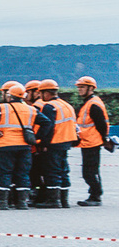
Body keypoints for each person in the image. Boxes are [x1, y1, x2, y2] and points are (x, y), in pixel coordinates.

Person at [0, 79, 35, 208]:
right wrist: (36, 136)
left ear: (9, 96)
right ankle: (22, 202)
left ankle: (2, 202)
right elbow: (46, 122)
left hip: (5, 145)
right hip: (24, 146)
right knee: (22, 173)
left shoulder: (1, 108)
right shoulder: (30, 109)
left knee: (4, 173)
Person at [29, 80, 77, 209]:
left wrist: (42, 142)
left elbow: (48, 127)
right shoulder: (66, 105)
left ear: (46, 93)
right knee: (63, 171)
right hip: (66, 142)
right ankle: (64, 200)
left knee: (52, 171)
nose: (40, 96)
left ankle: (53, 200)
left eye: (41, 93)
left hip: (54, 142)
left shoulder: (49, 107)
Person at [77, 77, 108, 207]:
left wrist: (104, 139)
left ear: (91, 88)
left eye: (82, 87)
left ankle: (96, 196)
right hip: (87, 142)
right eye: (79, 87)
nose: (80, 90)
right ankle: (94, 194)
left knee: (90, 172)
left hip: (92, 142)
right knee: (90, 171)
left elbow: (101, 125)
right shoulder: (89, 103)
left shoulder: (93, 104)